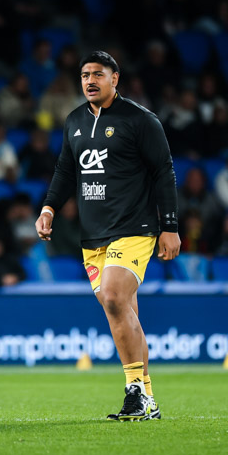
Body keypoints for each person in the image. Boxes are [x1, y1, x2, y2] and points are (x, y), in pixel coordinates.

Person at [36, 50, 180, 421]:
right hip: (93, 234)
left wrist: (170, 227)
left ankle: (134, 391)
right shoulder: (74, 122)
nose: (89, 81)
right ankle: (146, 398)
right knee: (122, 309)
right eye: (84, 75)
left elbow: (164, 171)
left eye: (98, 74)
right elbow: (66, 170)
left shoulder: (140, 120)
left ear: (115, 78)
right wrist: (49, 208)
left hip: (134, 227)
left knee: (115, 298)